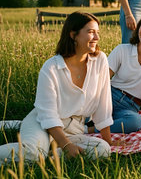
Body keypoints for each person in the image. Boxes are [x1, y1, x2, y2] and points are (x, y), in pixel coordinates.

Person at [0, 12, 114, 164]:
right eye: (91, 32)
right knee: (32, 154)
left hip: (74, 129)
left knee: (103, 149)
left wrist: (109, 141)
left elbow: (103, 105)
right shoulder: (51, 67)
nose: (97, 38)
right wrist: (66, 145)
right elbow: (47, 114)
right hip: (43, 124)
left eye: (97, 33)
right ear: (73, 35)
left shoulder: (100, 60)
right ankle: (43, 152)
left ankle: (48, 156)